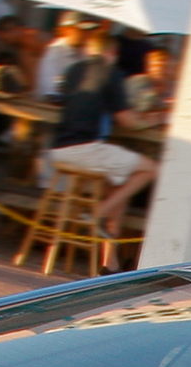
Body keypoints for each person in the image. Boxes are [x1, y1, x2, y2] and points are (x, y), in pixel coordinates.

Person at [36, 20, 152, 237]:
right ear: (113, 52)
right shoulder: (111, 72)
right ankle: (95, 215)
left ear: (89, 49)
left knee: (120, 184)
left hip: (58, 148)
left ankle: (111, 262)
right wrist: (151, 121)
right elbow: (127, 121)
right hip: (85, 148)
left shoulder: (73, 70)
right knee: (149, 169)